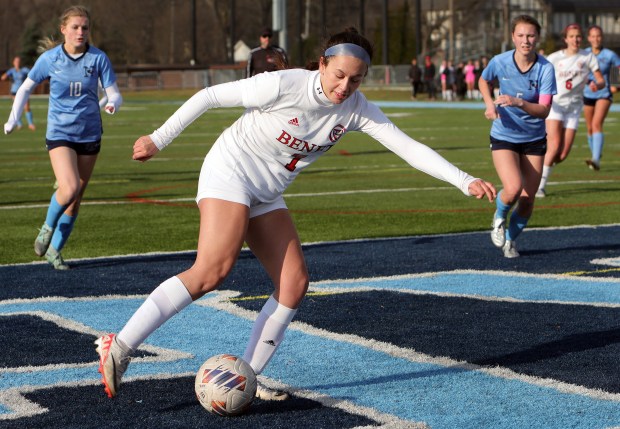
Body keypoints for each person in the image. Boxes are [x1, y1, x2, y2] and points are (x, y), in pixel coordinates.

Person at [93, 27, 496, 402]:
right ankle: (121, 345)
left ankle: (246, 375)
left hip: (266, 192)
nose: (344, 87)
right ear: (321, 62)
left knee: (294, 283)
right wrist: (159, 138)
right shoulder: (284, 84)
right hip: (231, 171)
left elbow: (407, 147)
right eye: (338, 75)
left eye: (355, 80)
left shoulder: (356, 108)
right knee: (213, 270)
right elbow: (210, 96)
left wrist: (463, 180)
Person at [3, 5, 122, 270]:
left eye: (85, 27)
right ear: (63, 30)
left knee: (76, 197)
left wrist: (113, 103)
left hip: (90, 133)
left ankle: (55, 249)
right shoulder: (50, 59)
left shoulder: (98, 58)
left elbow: (114, 93)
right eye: (75, 27)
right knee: (69, 187)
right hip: (60, 133)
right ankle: (46, 228)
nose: (81, 32)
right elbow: (25, 88)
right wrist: (14, 118)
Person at [479, 15, 556, 258]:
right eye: (521, 35)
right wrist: (490, 104)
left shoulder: (545, 68)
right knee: (512, 189)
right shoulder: (499, 61)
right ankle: (499, 216)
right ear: (513, 37)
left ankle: (510, 240)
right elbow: (483, 80)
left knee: (528, 199)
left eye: (531, 35)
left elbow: (544, 110)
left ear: (538, 38)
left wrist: (518, 102)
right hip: (505, 135)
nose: (526, 40)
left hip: (534, 138)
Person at [536, 24, 605, 198]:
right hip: (556, 105)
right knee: (555, 145)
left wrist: (600, 84)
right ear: (566, 39)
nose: (575, 39)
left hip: (574, 108)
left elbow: (605, 77)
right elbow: (539, 75)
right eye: (572, 36)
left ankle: (538, 166)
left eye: (578, 36)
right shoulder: (554, 58)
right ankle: (539, 186)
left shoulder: (591, 57)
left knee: (563, 153)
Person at [582, 25, 620, 171]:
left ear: (602, 37)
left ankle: (596, 159)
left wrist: (615, 85)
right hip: (587, 94)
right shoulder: (584, 54)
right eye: (593, 36)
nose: (596, 39)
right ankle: (595, 154)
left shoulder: (610, 55)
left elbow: (617, 68)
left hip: (604, 94)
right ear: (589, 38)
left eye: (598, 36)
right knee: (590, 128)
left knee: (597, 124)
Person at [1, 56, 36, 130]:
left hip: (23, 91)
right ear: (13, 63)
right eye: (16, 61)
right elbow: (3, 77)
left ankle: (30, 124)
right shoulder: (12, 71)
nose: (17, 63)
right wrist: (7, 77)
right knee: (16, 108)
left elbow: (32, 73)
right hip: (14, 91)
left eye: (18, 61)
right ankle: (19, 124)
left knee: (27, 107)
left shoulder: (24, 70)